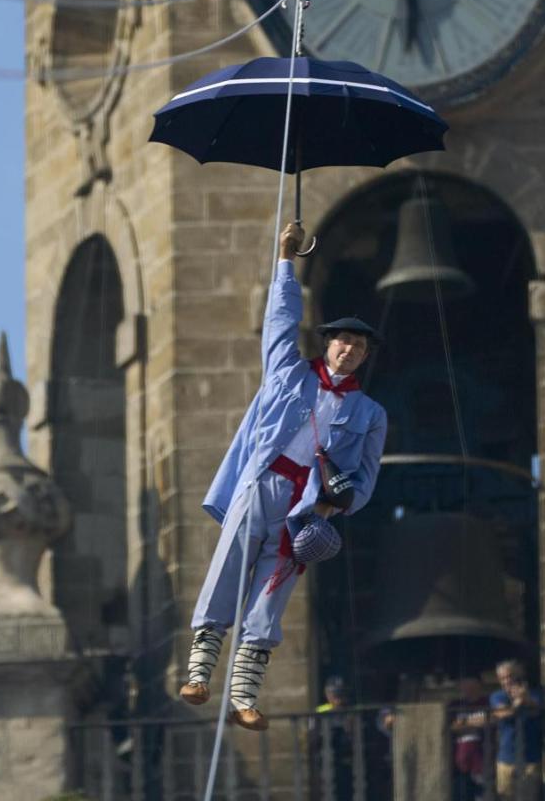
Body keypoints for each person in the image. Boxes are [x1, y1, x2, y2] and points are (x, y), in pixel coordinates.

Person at [180, 222, 389, 732]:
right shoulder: (288, 372)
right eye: (342, 341)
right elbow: (280, 318)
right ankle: (200, 671)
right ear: (329, 343)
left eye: (357, 346)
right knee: (228, 567)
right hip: (262, 483)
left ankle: (245, 693)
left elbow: (365, 479)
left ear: (364, 355)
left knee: (271, 596)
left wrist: (332, 508)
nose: (348, 350)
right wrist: (284, 260)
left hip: (304, 509)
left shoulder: (369, 413)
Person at [490, 659, 544, 800]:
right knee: (506, 797)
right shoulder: (497, 696)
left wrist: (525, 699)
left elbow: (537, 710)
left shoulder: (534, 693)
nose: (506, 681)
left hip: (530, 759)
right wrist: (517, 704)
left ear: (517, 676)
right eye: (502, 678)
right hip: (506, 758)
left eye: (509, 676)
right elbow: (502, 713)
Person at [311, 676, 356, 801]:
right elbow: (313, 737)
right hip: (326, 756)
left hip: (346, 757)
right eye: (334, 693)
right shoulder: (320, 711)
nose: (337, 698)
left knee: (347, 789)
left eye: (339, 694)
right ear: (327, 694)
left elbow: (354, 734)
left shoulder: (351, 711)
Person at [448, 677, 489, 801]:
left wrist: (463, 723)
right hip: (459, 762)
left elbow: (489, 719)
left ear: (478, 684)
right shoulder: (454, 705)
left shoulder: (487, 702)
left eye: (468, 683)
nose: (464, 687)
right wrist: (473, 722)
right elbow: (451, 726)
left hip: (481, 761)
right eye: (462, 683)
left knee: (481, 795)